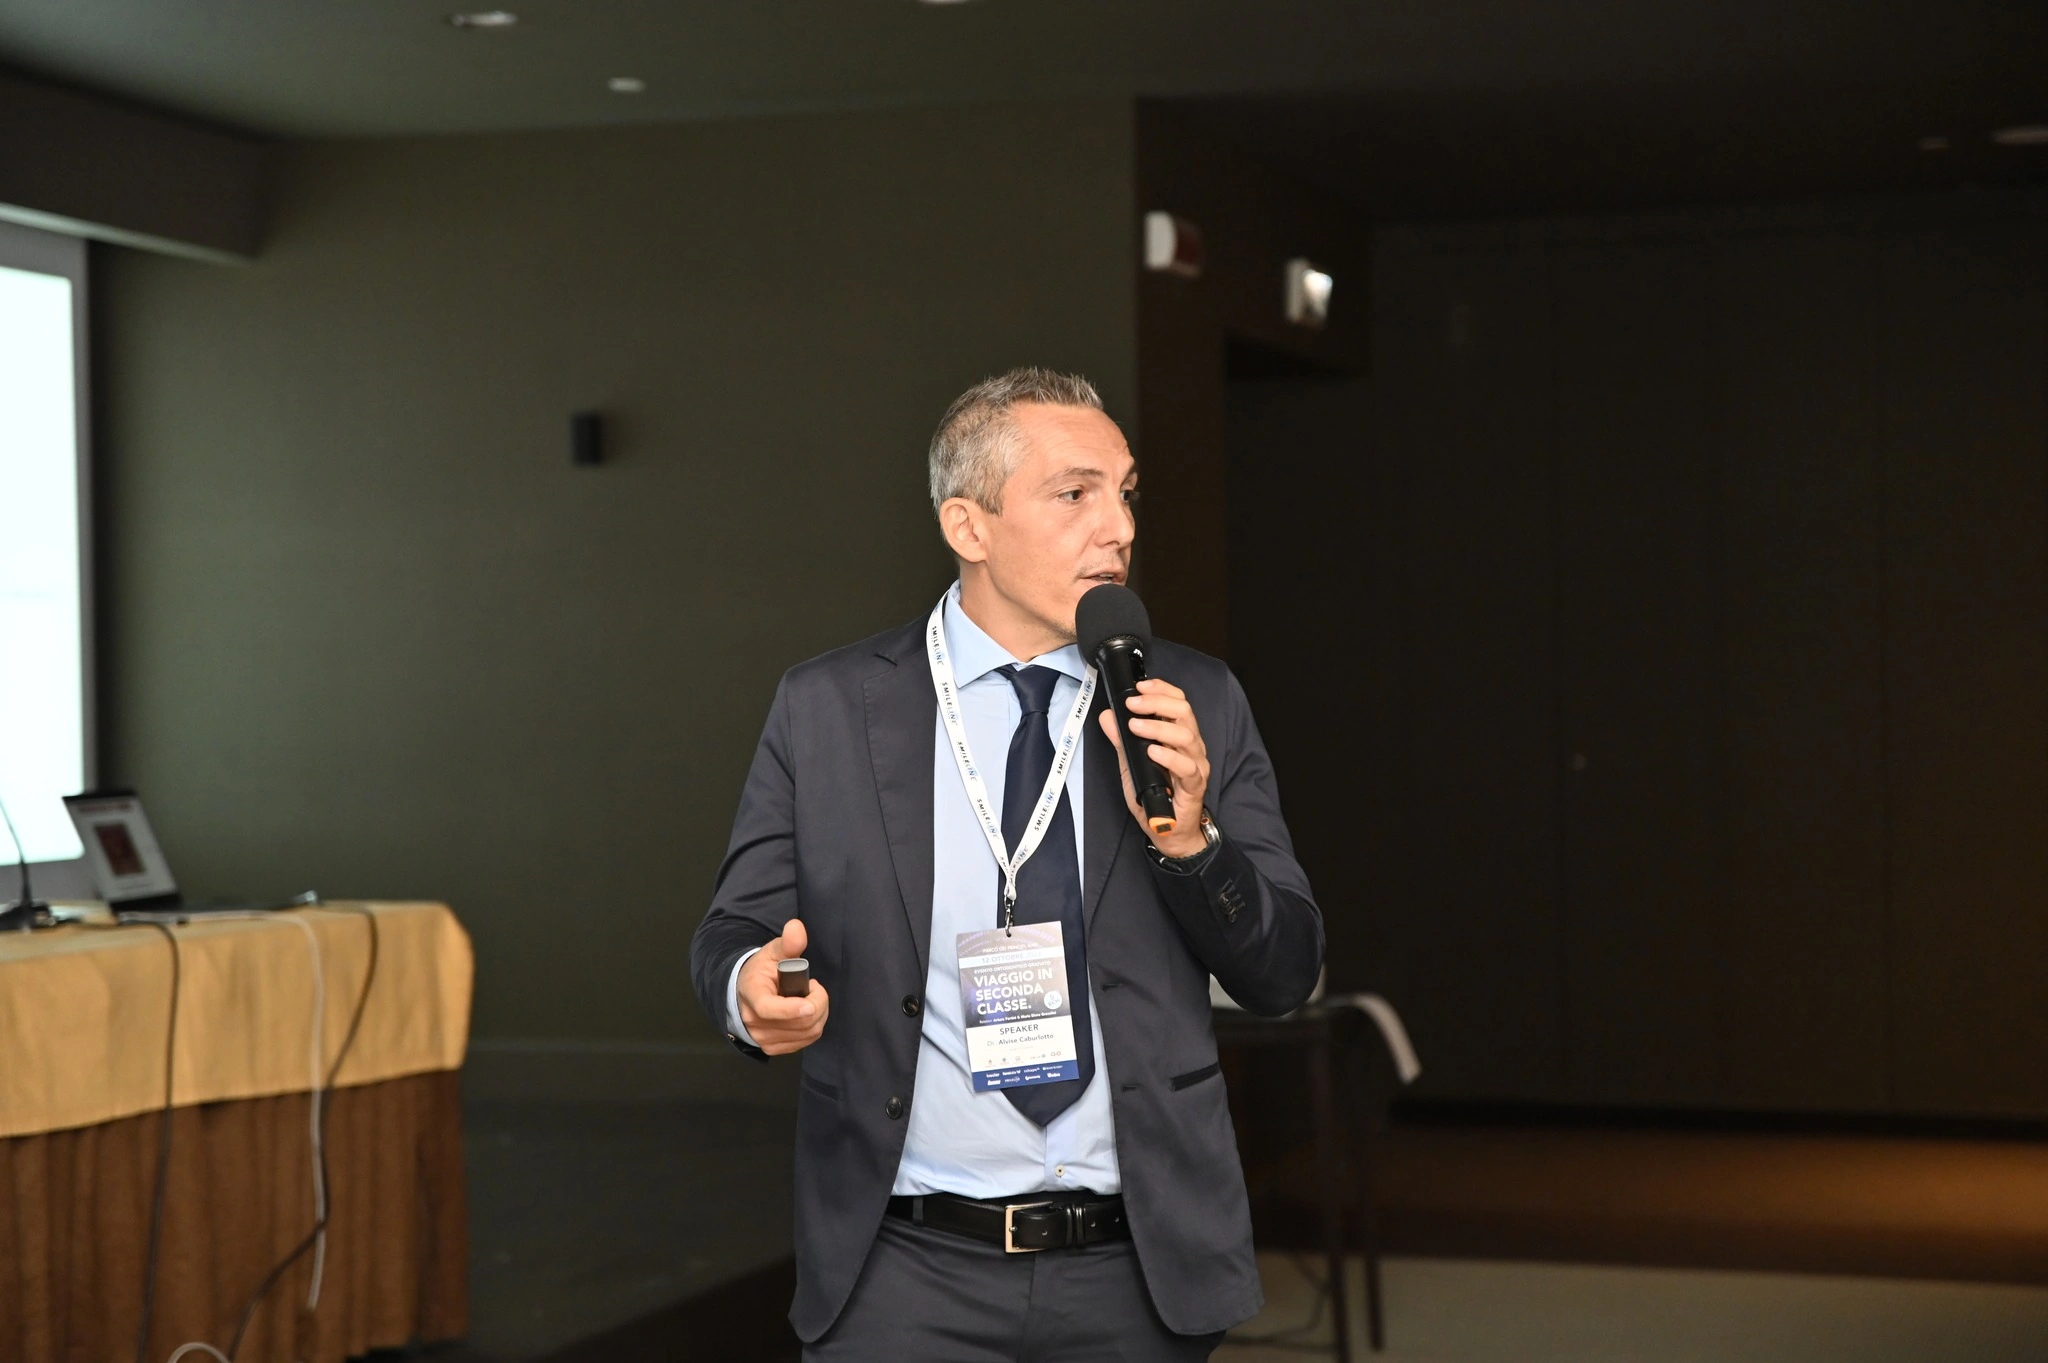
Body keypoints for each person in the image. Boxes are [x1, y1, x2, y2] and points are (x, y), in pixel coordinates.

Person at [690, 367, 1324, 1360]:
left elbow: (1283, 972)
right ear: (968, 526)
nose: (1117, 527)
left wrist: (1192, 843)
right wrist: (748, 985)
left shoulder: (1194, 698)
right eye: (1074, 493)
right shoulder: (830, 706)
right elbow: (735, 926)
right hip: (902, 1272)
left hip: (1137, 1271)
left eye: (1126, 493)